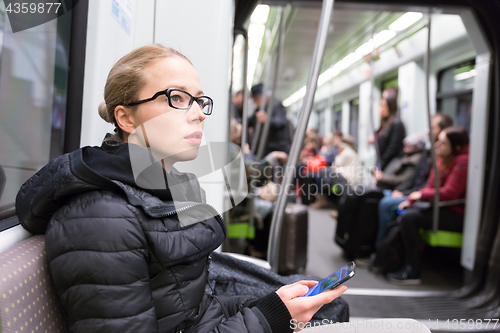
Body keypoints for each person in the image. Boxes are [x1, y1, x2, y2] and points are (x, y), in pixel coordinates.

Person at [16, 45, 346, 332]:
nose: (199, 114)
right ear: (127, 118)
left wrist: (274, 304)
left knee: (328, 309)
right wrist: (269, 318)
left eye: (200, 101)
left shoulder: (169, 187)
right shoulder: (104, 218)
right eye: (177, 98)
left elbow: (192, 312)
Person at [387, 126, 469, 284]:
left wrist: (420, 195)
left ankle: (413, 269)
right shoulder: (441, 160)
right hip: (439, 208)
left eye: (443, 143)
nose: (437, 145)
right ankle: (395, 259)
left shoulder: (462, 162)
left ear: (456, 147)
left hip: (454, 212)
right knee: (403, 211)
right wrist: (411, 200)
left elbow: (450, 193)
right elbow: (430, 186)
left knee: (408, 218)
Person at [375, 113, 453, 249]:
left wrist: (410, 195)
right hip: (414, 192)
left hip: (422, 196)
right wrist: (400, 190)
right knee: (383, 195)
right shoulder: (428, 153)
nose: (427, 131)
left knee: (386, 204)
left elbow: (429, 185)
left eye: (432, 127)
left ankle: (381, 249)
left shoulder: (443, 159)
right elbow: (413, 178)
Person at [248, 82, 291, 156]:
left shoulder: (277, 105)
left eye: (255, 99)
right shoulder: (259, 109)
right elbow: (250, 121)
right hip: (265, 148)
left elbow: (280, 122)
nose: (255, 102)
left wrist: (267, 120)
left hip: (277, 148)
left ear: (260, 97)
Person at [368, 87, 406, 171]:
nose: (381, 109)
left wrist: (381, 165)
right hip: (381, 162)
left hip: (389, 164)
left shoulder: (397, 124)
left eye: (384, 106)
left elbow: (392, 149)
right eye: (380, 106)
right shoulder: (384, 124)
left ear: (390, 107)